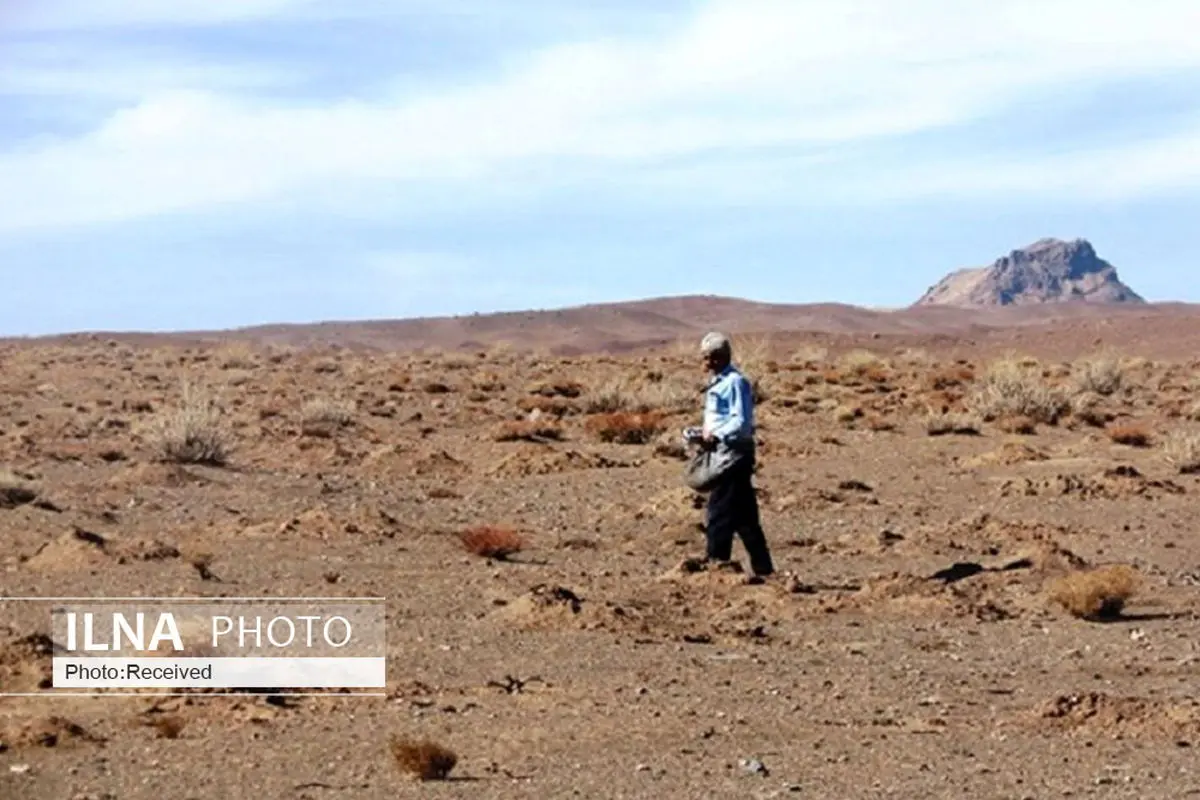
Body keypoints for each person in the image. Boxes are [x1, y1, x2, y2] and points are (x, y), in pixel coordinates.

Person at [696, 331, 775, 580]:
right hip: (723, 452)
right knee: (744, 516)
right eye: (704, 357)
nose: (705, 362)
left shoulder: (735, 382)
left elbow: (741, 421)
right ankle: (764, 568)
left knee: (719, 511)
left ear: (721, 357)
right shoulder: (717, 382)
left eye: (710, 357)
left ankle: (716, 566)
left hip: (733, 455)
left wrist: (716, 435)